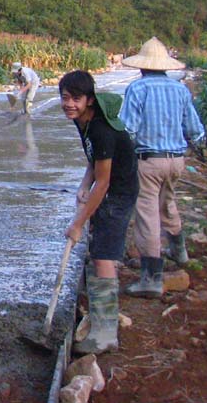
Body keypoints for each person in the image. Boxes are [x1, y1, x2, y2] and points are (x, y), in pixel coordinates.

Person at [119, 38, 205, 298]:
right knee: (167, 202)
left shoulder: (138, 88)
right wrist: (200, 147)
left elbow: (128, 129)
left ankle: (151, 278)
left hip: (149, 160)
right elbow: (195, 129)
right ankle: (179, 250)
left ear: (142, 66)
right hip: (176, 161)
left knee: (147, 214)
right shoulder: (179, 90)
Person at [59, 70, 138, 354]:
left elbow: (103, 183)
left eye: (76, 98)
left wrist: (79, 223)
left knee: (104, 255)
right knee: (100, 251)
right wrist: (83, 185)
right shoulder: (84, 123)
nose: (69, 103)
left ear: (90, 100)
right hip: (109, 188)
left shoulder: (103, 130)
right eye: (65, 97)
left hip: (118, 194)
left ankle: (105, 334)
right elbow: (94, 163)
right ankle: (101, 320)